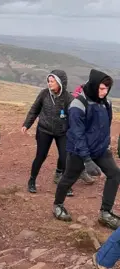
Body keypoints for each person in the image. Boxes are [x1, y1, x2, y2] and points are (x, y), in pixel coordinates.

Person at [53, 69, 120, 230]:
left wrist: (106, 145)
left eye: (107, 89)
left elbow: (105, 125)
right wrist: (87, 160)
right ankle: (58, 205)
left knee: (115, 175)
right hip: (79, 150)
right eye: (101, 88)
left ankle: (105, 212)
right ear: (94, 85)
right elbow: (77, 134)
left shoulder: (106, 103)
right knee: (68, 178)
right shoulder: (78, 105)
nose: (104, 92)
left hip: (100, 150)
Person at [22, 70, 75, 194]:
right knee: (41, 156)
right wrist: (27, 124)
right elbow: (34, 109)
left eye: (52, 81)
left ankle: (64, 183)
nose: (49, 84)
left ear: (60, 83)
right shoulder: (44, 94)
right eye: (49, 81)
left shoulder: (69, 98)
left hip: (62, 132)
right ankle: (32, 180)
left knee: (64, 157)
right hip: (44, 130)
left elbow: (74, 117)